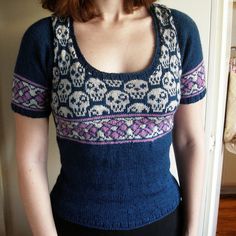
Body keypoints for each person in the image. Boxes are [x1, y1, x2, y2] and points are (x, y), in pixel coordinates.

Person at [10, 0, 207, 235]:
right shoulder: (44, 39)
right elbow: (31, 157)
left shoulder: (179, 31)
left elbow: (189, 141)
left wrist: (193, 229)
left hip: (164, 221)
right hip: (74, 223)